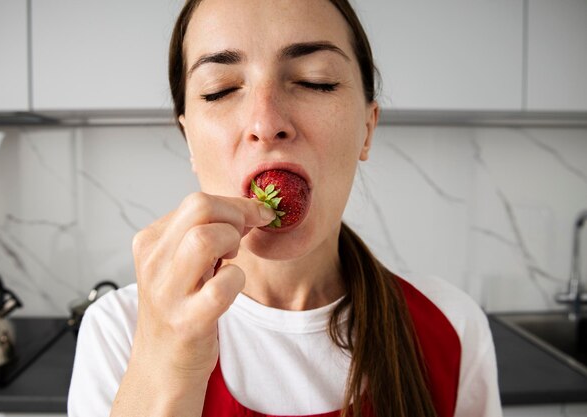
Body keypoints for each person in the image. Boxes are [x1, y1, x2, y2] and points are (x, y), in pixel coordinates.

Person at [67, 0, 502, 416]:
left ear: (367, 129)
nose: (265, 122)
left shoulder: (451, 326)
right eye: (220, 90)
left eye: (316, 81)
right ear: (190, 142)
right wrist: (167, 366)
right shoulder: (119, 332)